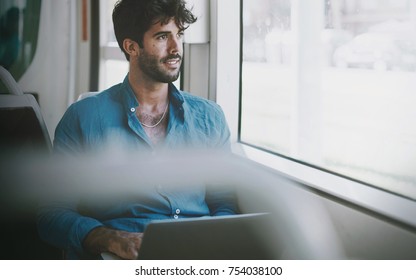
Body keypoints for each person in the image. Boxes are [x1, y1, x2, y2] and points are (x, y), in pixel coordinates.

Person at [36, 0, 237, 259]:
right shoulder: (82, 118)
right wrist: (106, 238)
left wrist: (213, 243)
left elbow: (224, 204)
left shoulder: (210, 118)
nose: (176, 48)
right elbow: (51, 214)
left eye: (180, 35)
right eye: (163, 37)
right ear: (132, 47)